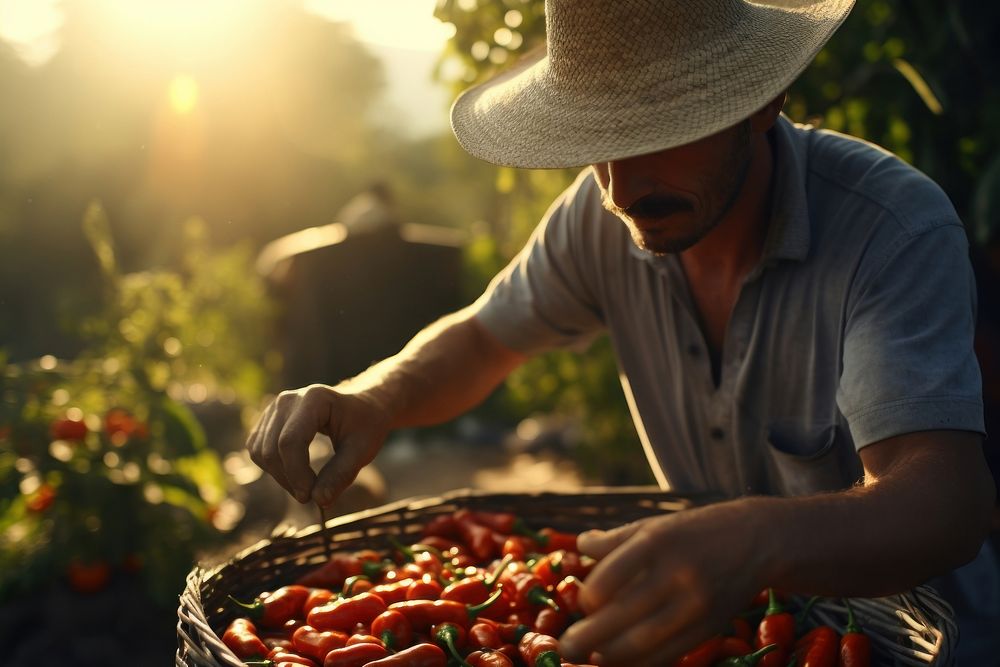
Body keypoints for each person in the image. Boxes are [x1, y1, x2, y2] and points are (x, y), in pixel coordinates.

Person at [246, 0, 998, 663]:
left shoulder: (888, 231)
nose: (620, 184)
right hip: (736, 633)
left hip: (918, 643)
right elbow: (483, 338)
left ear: (763, 101)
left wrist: (756, 539)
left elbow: (945, 502)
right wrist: (373, 396)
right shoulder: (600, 221)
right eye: (597, 137)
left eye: (663, 127)